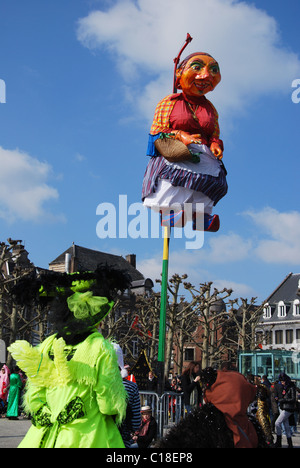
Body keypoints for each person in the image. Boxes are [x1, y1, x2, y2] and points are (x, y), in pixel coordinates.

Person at [8, 265, 131, 448]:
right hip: (87, 434)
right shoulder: (99, 347)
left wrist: (47, 412)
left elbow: (34, 395)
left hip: (44, 433)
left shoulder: (46, 344)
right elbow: (109, 404)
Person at [142, 50, 228, 232]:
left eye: (213, 70)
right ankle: (171, 211)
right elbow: (158, 129)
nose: (206, 75)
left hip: (203, 153)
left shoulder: (210, 108)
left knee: (207, 182)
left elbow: (214, 132)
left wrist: (215, 144)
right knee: (177, 180)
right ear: (180, 73)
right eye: (197, 67)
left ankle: (201, 217)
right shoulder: (170, 102)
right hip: (179, 151)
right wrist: (181, 135)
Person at [274, 373, 297, 448]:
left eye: (283, 381)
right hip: (284, 407)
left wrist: (283, 400)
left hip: (288, 408)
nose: (282, 383)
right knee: (286, 426)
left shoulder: (291, 387)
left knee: (277, 423)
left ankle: (279, 440)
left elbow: (293, 399)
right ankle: (289, 443)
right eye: (281, 381)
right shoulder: (285, 387)